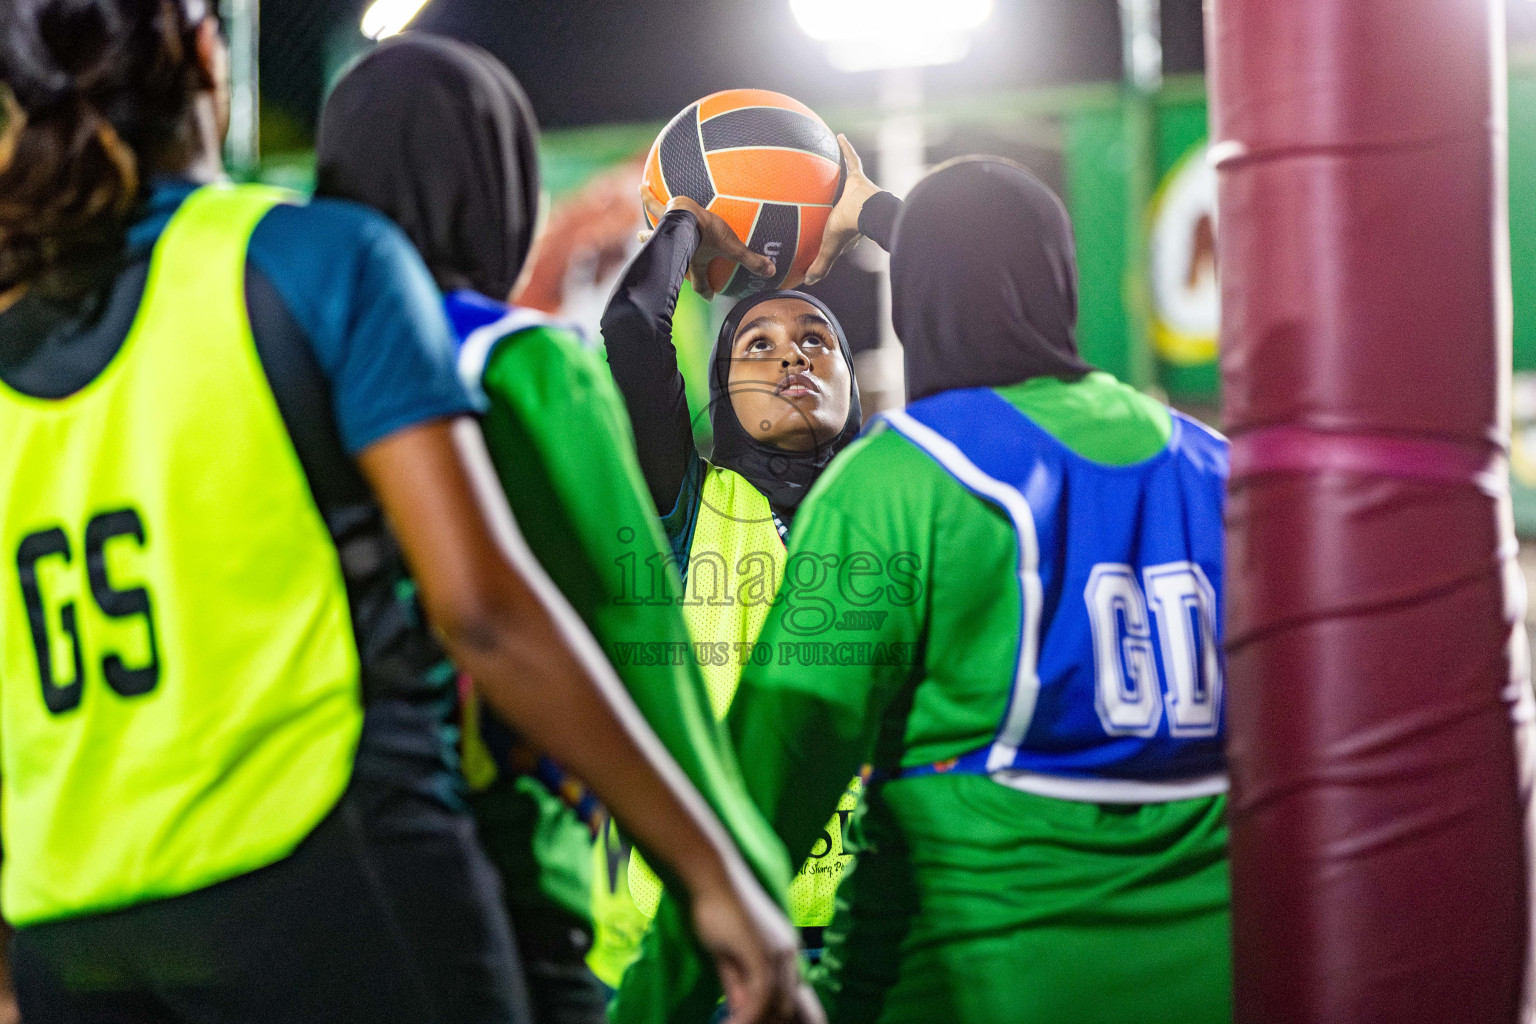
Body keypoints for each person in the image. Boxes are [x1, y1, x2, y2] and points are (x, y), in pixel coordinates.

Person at [0, 4, 816, 1023]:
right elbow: (495, 611)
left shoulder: (23, 329)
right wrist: (718, 868)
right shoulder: (312, 265)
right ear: (208, 50)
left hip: (69, 910)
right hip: (311, 865)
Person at [671, 154, 1236, 1023]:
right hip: (1225, 974)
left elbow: (768, 793)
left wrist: (648, 1002)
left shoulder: (902, 475)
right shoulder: (1219, 469)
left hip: (980, 978)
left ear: (909, 303)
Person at [313, 36, 800, 1024]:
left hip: (280, 864)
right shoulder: (518, 362)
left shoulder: (276, 355)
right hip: (486, 862)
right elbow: (641, 643)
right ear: (497, 187)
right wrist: (736, 876)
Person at [597, 148, 881, 997]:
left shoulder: (904, 494)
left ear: (852, 381)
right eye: (756, 344)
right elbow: (631, 328)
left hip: (876, 928)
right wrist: (689, 218)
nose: (791, 357)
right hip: (712, 940)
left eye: (816, 341)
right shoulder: (685, 506)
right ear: (720, 391)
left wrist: (871, 211)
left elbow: (980, 297)